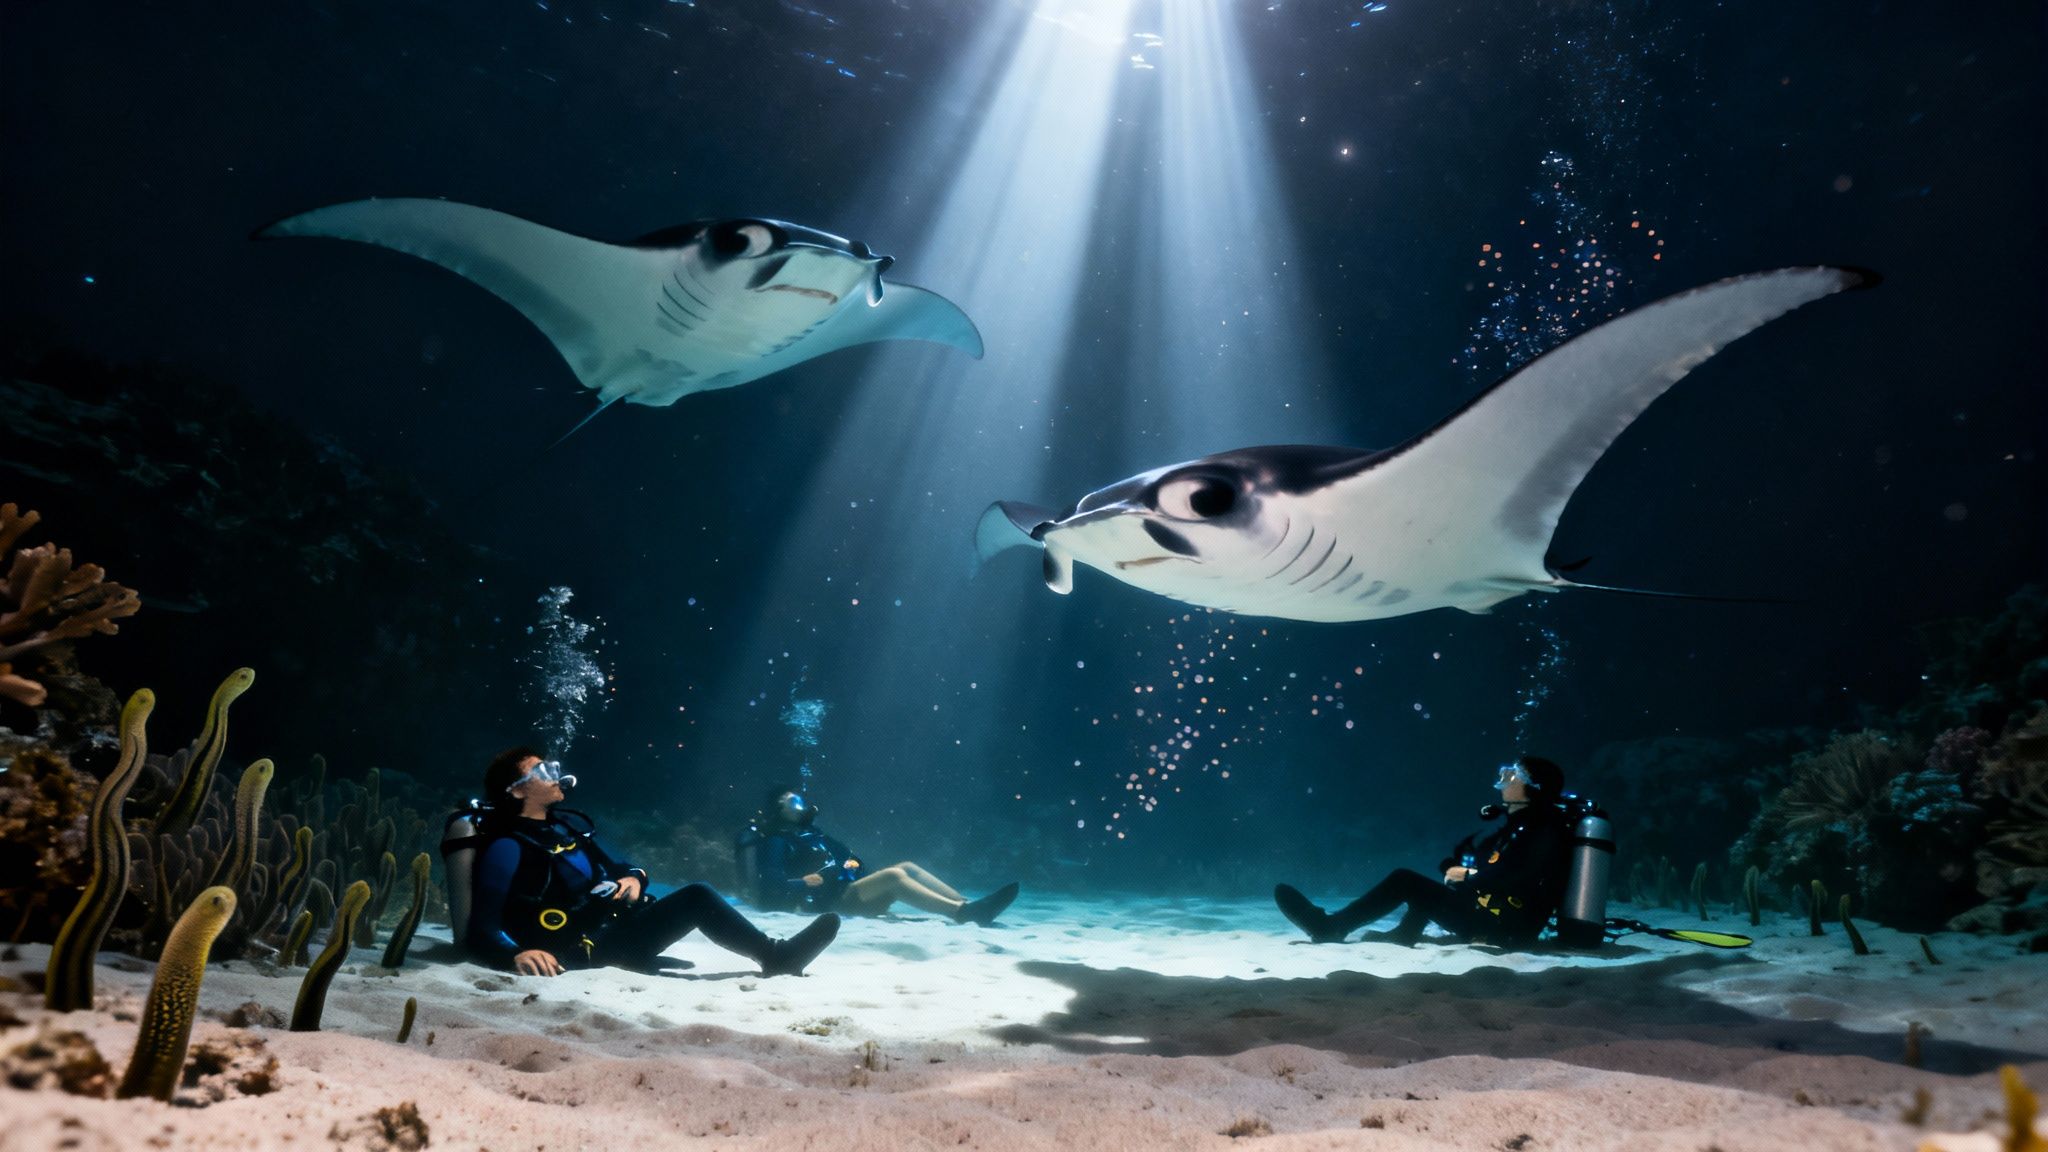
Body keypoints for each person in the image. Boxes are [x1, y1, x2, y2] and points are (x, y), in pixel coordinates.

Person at [466, 748, 840, 978]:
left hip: (617, 932)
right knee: (697, 896)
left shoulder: (568, 827)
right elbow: (483, 927)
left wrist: (633, 882)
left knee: (693, 896)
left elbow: (628, 868)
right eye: (542, 771)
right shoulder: (507, 846)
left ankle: (774, 955)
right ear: (516, 790)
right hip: (585, 950)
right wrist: (517, 953)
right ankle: (775, 956)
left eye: (551, 767)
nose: (554, 774)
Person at [1273, 755, 1573, 948]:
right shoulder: (1521, 825)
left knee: (1405, 880)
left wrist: (1468, 875)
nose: (1505, 777)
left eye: (1515, 774)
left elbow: (1523, 879)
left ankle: (1332, 927)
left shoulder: (1545, 830)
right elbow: (1497, 867)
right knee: (1426, 886)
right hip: (1495, 918)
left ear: (1533, 789)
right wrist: (1463, 869)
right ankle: (1405, 933)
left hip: (1506, 929)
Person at [742, 785, 1020, 925]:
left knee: (907, 867)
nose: (801, 805)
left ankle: (966, 903)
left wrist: (850, 866)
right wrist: (805, 882)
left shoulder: (814, 835)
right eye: (793, 801)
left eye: (800, 800)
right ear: (779, 808)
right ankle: (962, 914)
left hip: (844, 891)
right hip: (827, 904)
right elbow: (770, 883)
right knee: (894, 876)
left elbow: (854, 859)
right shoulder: (777, 840)